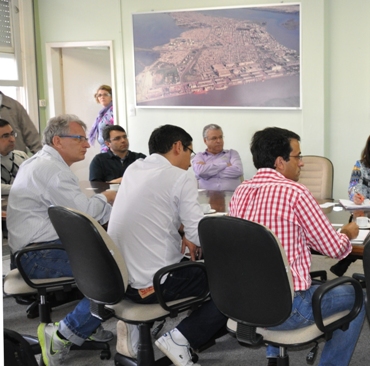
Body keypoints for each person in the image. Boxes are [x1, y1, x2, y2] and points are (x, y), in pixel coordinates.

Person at [228, 127, 365, 366]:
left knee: (268, 272)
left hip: (244, 304)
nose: (302, 163)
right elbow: (333, 249)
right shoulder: (296, 193)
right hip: (288, 309)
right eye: (298, 156)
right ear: (280, 162)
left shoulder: (240, 192)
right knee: (359, 295)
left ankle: (274, 356)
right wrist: (346, 233)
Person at [107, 125, 226, 366]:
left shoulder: (134, 168)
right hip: (154, 284)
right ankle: (182, 338)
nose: (191, 161)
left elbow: (154, 213)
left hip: (119, 279)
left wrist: (183, 232)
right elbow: (199, 234)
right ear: (178, 147)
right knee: (230, 283)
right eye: (190, 152)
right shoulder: (180, 176)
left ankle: (135, 328)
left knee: (195, 266)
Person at [6, 114, 117, 366]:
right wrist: (109, 197)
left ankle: (89, 320)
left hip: (34, 250)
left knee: (107, 258)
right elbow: (85, 215)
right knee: (113, 273)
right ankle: (64, 333)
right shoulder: (51, 170)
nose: (86, 144)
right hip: (37, 255)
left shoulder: (43, 162)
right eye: (79, 138)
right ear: (57, 140)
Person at [192, 124, 243, 191]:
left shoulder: (232, 153)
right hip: (206, 198)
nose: (219, 141)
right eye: (214, 138)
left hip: (232, 197)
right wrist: (224, 165)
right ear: (205, 141)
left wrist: (208, 172)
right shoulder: (199, 156)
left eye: (220, 137)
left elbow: (238, 171)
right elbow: (200, 172)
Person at [1, 119, 28, 195]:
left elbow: (36, 179)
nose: (12, 139)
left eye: (12, 134)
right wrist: (24, 188)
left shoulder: (22, 156)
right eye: (5, 136)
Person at [88, 85, 114, 153]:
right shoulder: (102, 113)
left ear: (111, 97)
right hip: (104, 148)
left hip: (111, 149)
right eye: (99, 95)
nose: (102, 97)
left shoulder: (113, 110)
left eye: (105, 94)